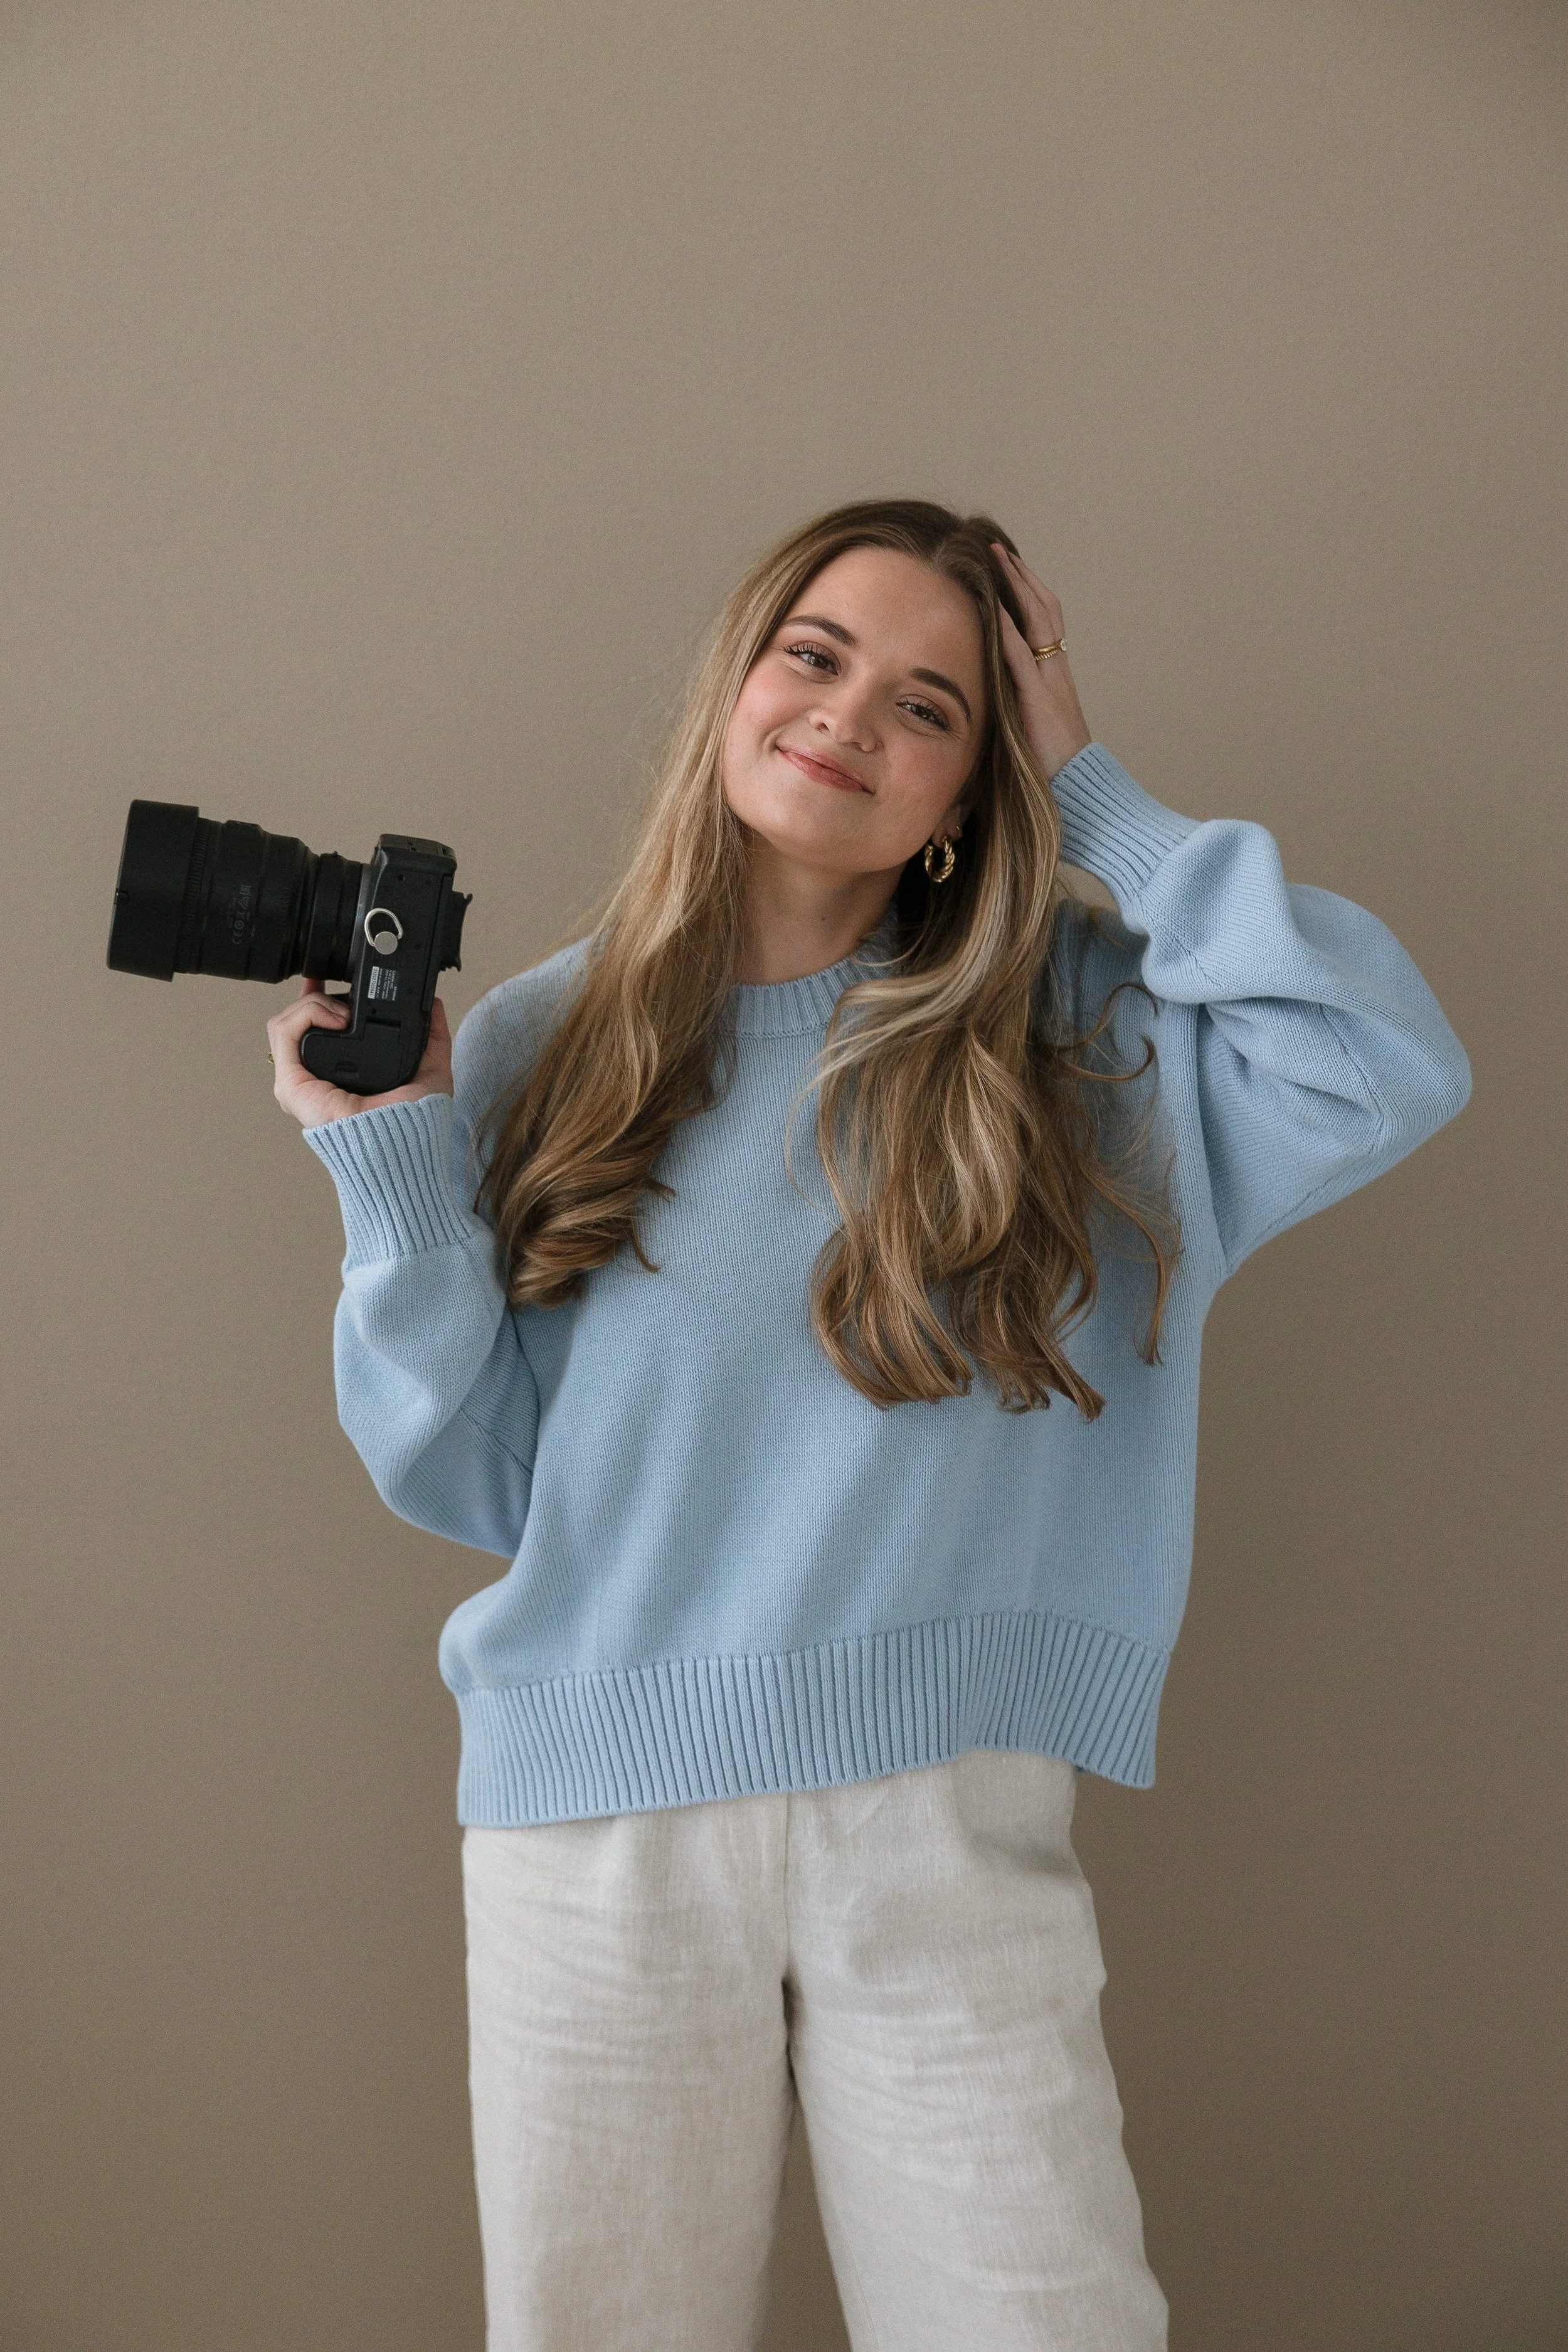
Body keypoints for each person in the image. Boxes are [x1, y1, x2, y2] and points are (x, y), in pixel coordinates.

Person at [269, 499, 1471, 2352]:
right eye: (815, 656)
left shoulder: (1078, 1039)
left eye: (932, 705)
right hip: (596, 1820)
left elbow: (1380, 1057)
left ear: (979, 785)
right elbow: (478, 1470)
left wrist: (1099, 795)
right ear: (737, 681)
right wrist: (389, 1163)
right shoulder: (539, 1038)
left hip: (942, 1811)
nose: (847, 718)